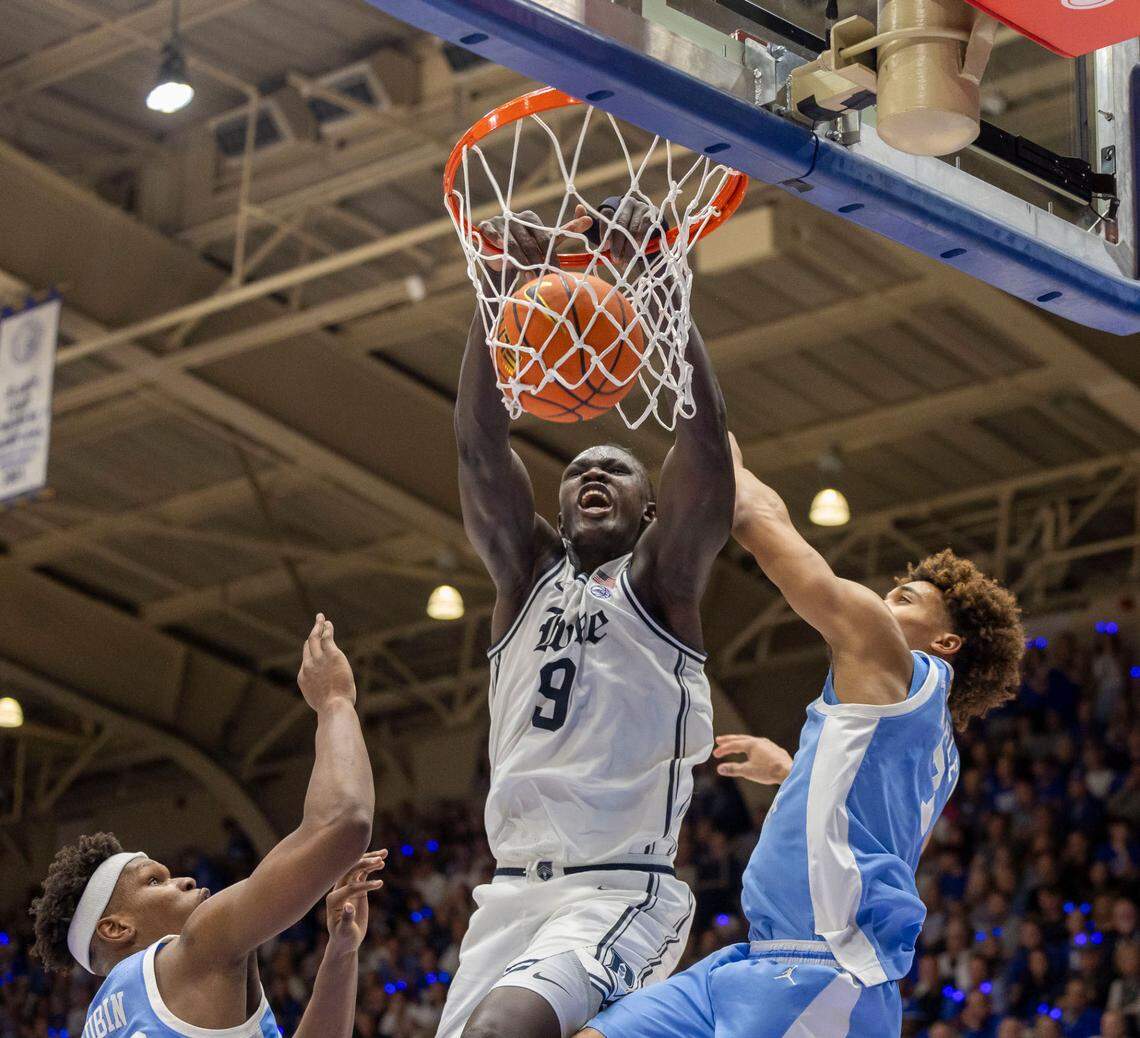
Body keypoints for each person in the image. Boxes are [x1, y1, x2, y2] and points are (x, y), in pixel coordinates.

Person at [574, 435, 1025, 1038]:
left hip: (828, 972)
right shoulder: (927, 741)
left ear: (947, 644)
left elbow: (761, 520)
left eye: (906, 597)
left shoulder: (887, 652)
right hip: (753, 959)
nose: (883, 599)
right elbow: (865, 819)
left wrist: (713, 438)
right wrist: (792, 772)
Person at [443, 199, 734, 1038]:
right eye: (576, 471)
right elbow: (477, 443)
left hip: (616, 887)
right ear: (559, 509)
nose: (592, 473)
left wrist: (657, 286)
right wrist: (499, 293)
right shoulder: (526, 574)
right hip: (507, 896)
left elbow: (707, 454)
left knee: (507, 1030)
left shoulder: (660, 586)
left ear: (650, 513)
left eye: (616, 468)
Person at [29, 615, 382, 1038]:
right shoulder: (198, 947)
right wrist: (335, 701)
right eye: (154, 881)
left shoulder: (100, 1021)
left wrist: (340, 954)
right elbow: (344, 823)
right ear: (116, 927)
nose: (183, 880)